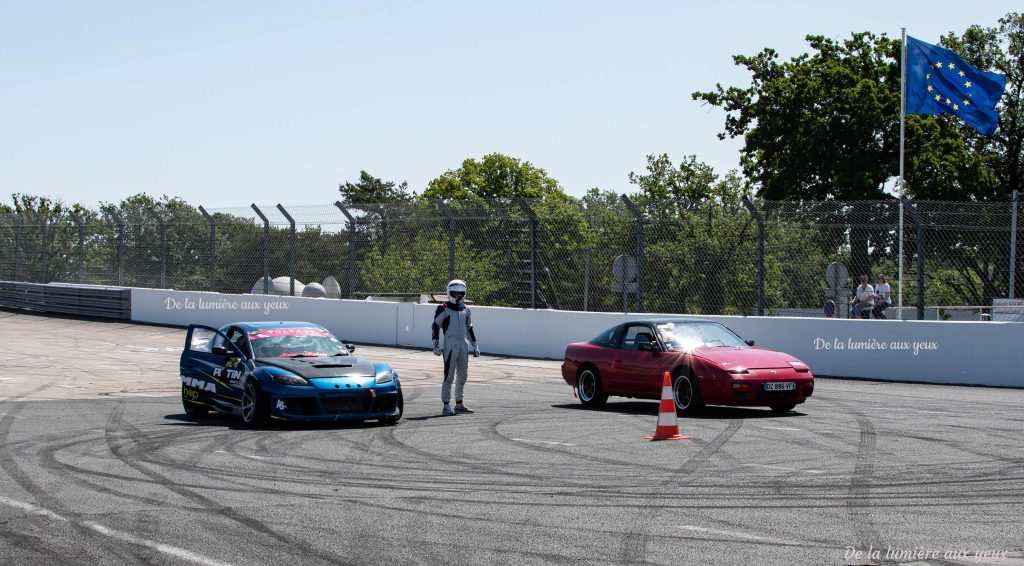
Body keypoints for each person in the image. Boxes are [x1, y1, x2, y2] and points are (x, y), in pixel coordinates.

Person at [432, 279, 480, 416]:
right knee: (449, 375)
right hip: (450, 345)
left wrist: (475, 345)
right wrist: (435, 344)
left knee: (463, 375)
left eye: (461, 293)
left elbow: (469, 328)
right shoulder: (443, 308)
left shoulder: (466, 309)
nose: (458, 295)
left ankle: (459, 403)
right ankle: (446, 404)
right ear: (450, 293)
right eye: (455, 293)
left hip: (463, 344)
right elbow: (436, 325)